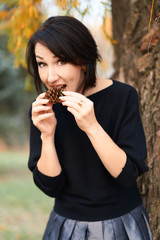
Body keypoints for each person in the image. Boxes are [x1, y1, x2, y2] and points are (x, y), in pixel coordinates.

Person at [26, 16, 152, 240]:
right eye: (42, 64)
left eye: (61, 61)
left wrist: (92, 127)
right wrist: (47, 135)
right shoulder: (42, 110)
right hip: (65, 227)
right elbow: (50, 187)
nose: (50, 76)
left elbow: (127, 176)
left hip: (122, 225)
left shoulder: (123, 97)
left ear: (83, 60)